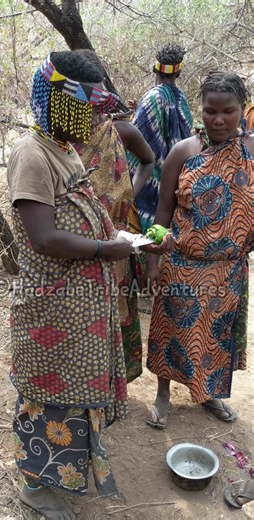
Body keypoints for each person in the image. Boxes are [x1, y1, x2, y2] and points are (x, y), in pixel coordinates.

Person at [7, 50, 136, 520]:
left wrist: (120, 240)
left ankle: (64, 475)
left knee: (72, 397)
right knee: (46, 398)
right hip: (50, 310)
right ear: (62, 104)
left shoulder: (62, 147)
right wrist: (106, 251)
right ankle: (36, 490)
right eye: (87, 110)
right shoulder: (31, 154)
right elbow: (43, 236)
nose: (94, 121)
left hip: (76, 310)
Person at [145, 71, 254, 429]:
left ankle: (210, 395)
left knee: (215, 338)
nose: (218, 119)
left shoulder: (251, 153)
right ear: (200, 110)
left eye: (228, 111)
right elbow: (162, 212)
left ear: (243, 110)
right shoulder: (183, 152)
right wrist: (153, 261)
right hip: (182, 265)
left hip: (229, 270)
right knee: (169, 332)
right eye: (210, 111)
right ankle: (163, 396)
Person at [74, 49, 155, 383]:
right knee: (80, 316)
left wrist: (128, 195)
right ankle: (81, 383)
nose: (90, 110)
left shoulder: (119, 131)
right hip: (76, 245)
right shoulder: (58, 140)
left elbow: (148, 160)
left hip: (116, 243)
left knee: (113, 313)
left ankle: (109, 384)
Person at [127, 43, 193, 235]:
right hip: (175, 179)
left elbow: (136, 139)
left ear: (154, 69)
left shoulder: (152, 98)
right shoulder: (181, 100)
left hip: (150, 178)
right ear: (178, 74)